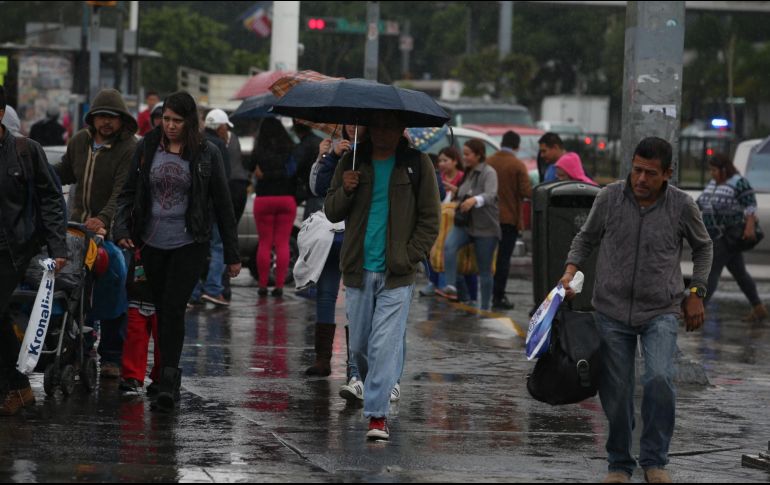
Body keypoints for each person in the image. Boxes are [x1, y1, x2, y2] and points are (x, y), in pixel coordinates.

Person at [561, 137, 713, 483]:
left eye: (650, 173)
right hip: (611, 310)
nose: (641, 179)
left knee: (659, 378)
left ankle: (655, 460)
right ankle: (619, 464)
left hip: (660, 309)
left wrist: (696, 291)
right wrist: (568, 274)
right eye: (637, 170)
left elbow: (703, 248)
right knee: (616, 391)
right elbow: (585, 239)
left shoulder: (681, 205)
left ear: (667, 174)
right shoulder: (609, 197)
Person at [113, 91, 240, 412]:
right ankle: (161, 377)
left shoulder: (206, 153)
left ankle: (168, 379)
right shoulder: (147, 148)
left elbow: (224, 205)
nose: (170, 126)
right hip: (150, 243)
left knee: (172, 308)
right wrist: (123, 229)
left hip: (189, 243)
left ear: (189, 122)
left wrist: (232, 254)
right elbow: (129, 193)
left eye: (177, 121)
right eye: (166, 119)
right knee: (155, 307)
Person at [324, 112, 440, 440]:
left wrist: (409, 255)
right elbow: (331, 210)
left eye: (390, 127)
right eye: (378, 126)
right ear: (370, 127)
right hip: (359, 269)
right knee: (360, 346)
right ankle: (369, 386)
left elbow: (431, 218)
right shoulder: (352, 160)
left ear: (401, 129)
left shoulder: (417, 164)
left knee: (384, 345)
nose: (383, 133)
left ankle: (377, 416)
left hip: (396, 274)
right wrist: (345, 189)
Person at [53, 88, 138, 379]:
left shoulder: (130, 148)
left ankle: (112, 356)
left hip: (113, 233)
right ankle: (80, 349)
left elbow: (122, 191)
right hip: (77, 232)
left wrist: (103, 219)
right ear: (92, 118)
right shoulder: (79, 141)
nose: (106, 123)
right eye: (101, 117)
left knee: (114, 292)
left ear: (122, 120)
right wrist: (39, 175)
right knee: (77, 294)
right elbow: (64, 172)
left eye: (112, 118)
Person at [0, 85, 68, 415]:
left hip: (14, 251)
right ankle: (16, 387)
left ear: (1, 115)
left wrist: (58, 246)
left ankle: (17, 386)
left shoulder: (26, 151)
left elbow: (52, 199)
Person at [696, 153, 768, 322]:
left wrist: (749, 227)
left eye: (714, 170)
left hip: (727, 235)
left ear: (723, 168)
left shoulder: (738, 182)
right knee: (740, 273)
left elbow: (750, 205)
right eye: (710, 170)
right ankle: (758, 308)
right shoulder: (714, 183)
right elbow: (701, 203)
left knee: (710, 271)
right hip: (714, 235)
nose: (711, 173)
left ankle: (698, 308)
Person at [436, 139, 500, 311]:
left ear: (478, 154)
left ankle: (485, 308)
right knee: (449, 246)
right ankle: (451, 286)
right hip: (465, 224)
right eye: (463, 154)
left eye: (467, 154)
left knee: (484, 270)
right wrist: (455, 190)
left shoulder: (489, 172)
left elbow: (491, 195)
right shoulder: (469, 173)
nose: (464, 157)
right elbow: (464, 193)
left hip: (486, 227)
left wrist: (474, 200)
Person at [485, 130, 532, 310]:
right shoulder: (518, 165)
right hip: (509, 219)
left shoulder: (489, 161)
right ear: (517, 146)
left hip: (488, 218)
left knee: (487, 258)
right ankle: (498, 296)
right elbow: (526, 192)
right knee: (504, 259)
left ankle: (485, 294)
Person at [190, 108, 232, 307]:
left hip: (196, 208)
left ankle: (194, 291)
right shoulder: (219, 146)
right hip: (214, 208)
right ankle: (213, 289)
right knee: (218, 247)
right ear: (221, 127)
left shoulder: (195, 142)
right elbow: (224, 179)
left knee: (195, 249)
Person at [252, 117, 297, 297]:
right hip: (286, 199)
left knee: (264, 243)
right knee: (282, 243)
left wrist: (262, 173)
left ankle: (263, 285)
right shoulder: (289, 148)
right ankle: (279, 286)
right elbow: (293, 171)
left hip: (264, 199)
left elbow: (250, 167)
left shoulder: (259, 149)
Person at [292, 121, 323, 219]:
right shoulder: (320, 141)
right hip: (323, 190)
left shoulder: (303, 146)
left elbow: (294, 168)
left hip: (311, 192)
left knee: (310, 228)